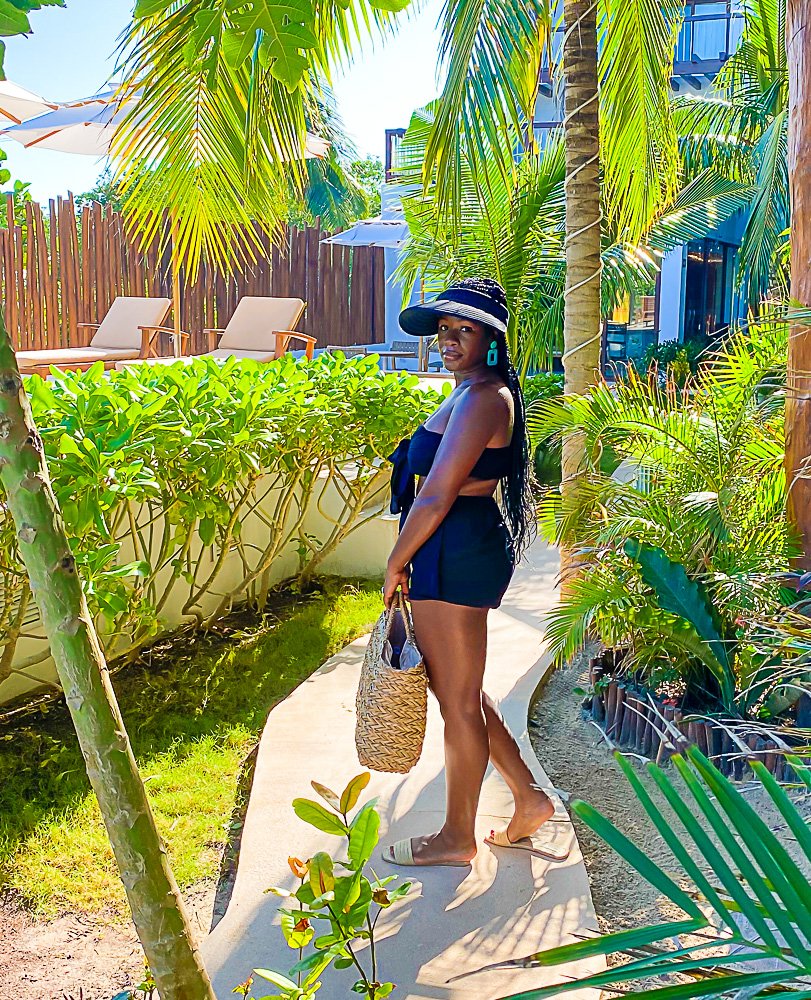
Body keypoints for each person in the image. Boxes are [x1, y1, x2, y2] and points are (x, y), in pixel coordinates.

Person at [381, 277, 556, 868]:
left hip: (453, 545)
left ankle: (458, 837)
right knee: (457, 688)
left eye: (465, 331)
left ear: (492, 340)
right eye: (445, 330)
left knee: (456, 699)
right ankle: (528, 798)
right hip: (450, 544)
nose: (450, 341)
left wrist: (395, 560)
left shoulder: (485, 398)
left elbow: (435, 495)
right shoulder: (470, 392)